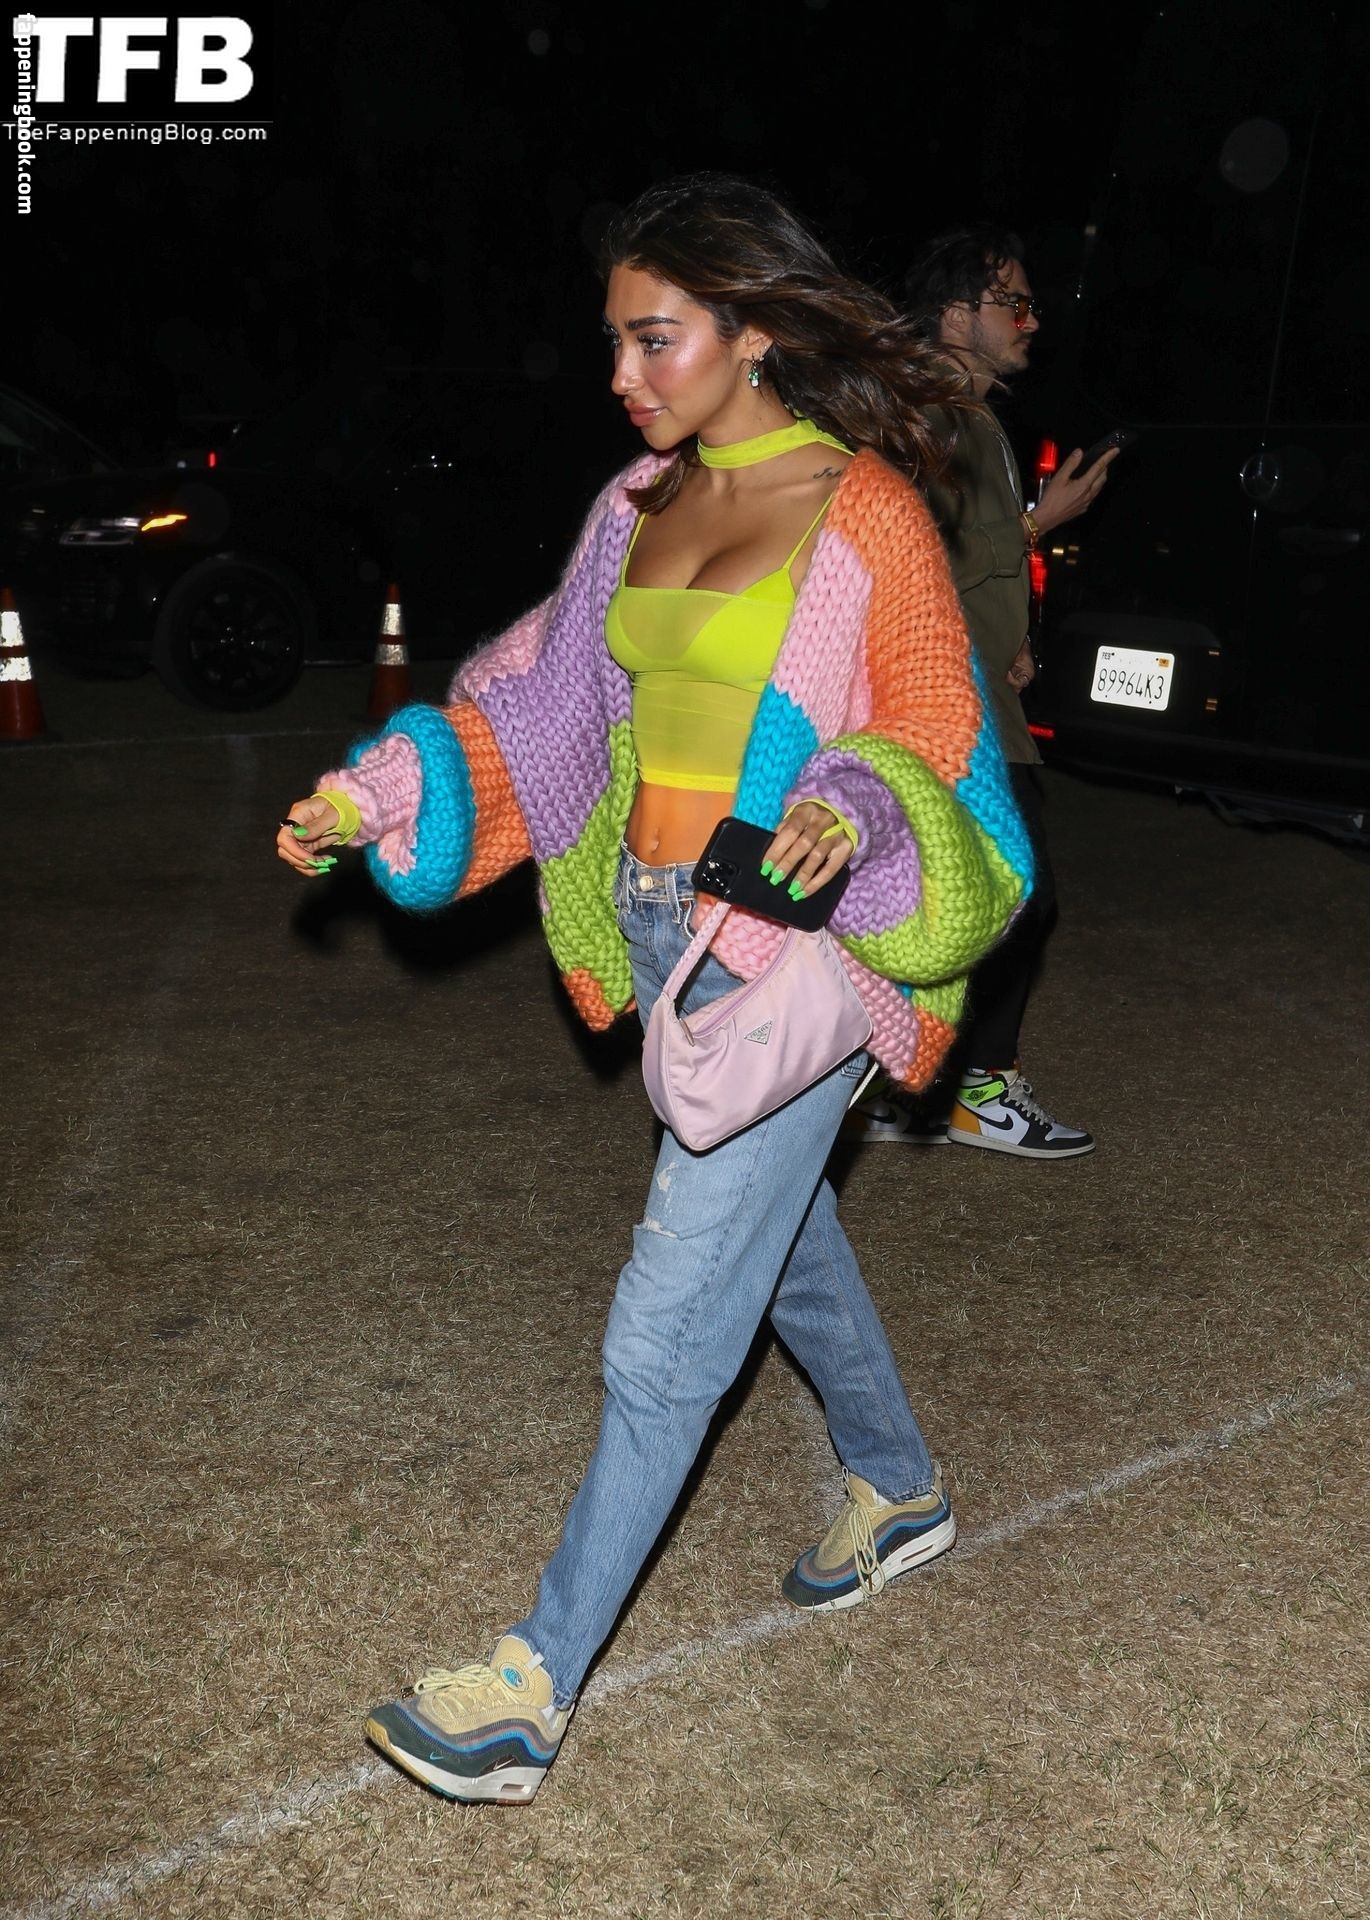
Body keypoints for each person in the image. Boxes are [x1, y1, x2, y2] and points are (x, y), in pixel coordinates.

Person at [275, 176, 1032, 1806]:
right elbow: (541, 713)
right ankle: (898, 1484)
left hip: (792, 945)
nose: (621, 374)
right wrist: (378, 798)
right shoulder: (634, 505)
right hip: (654, 929)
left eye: (653, 337)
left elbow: (934, 731)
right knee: (779, 1237)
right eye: (614, 341)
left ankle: (527, 1692)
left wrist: (856, 810)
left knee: (669, 1322)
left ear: (751, 333)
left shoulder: (867, 514)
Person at [850, 227, 1116, 1158]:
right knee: (1018, 893)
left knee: (945, 895)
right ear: (958, 314)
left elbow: (966, 573)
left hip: (973, 688)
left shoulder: (974, 418)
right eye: (1015, 303)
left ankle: (897, 1083)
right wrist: (1042, 522)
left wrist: (1012, 644)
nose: (1031, 321)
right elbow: (914, 551)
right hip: (942, 702)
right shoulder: (929, 415)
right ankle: (975, 1089)